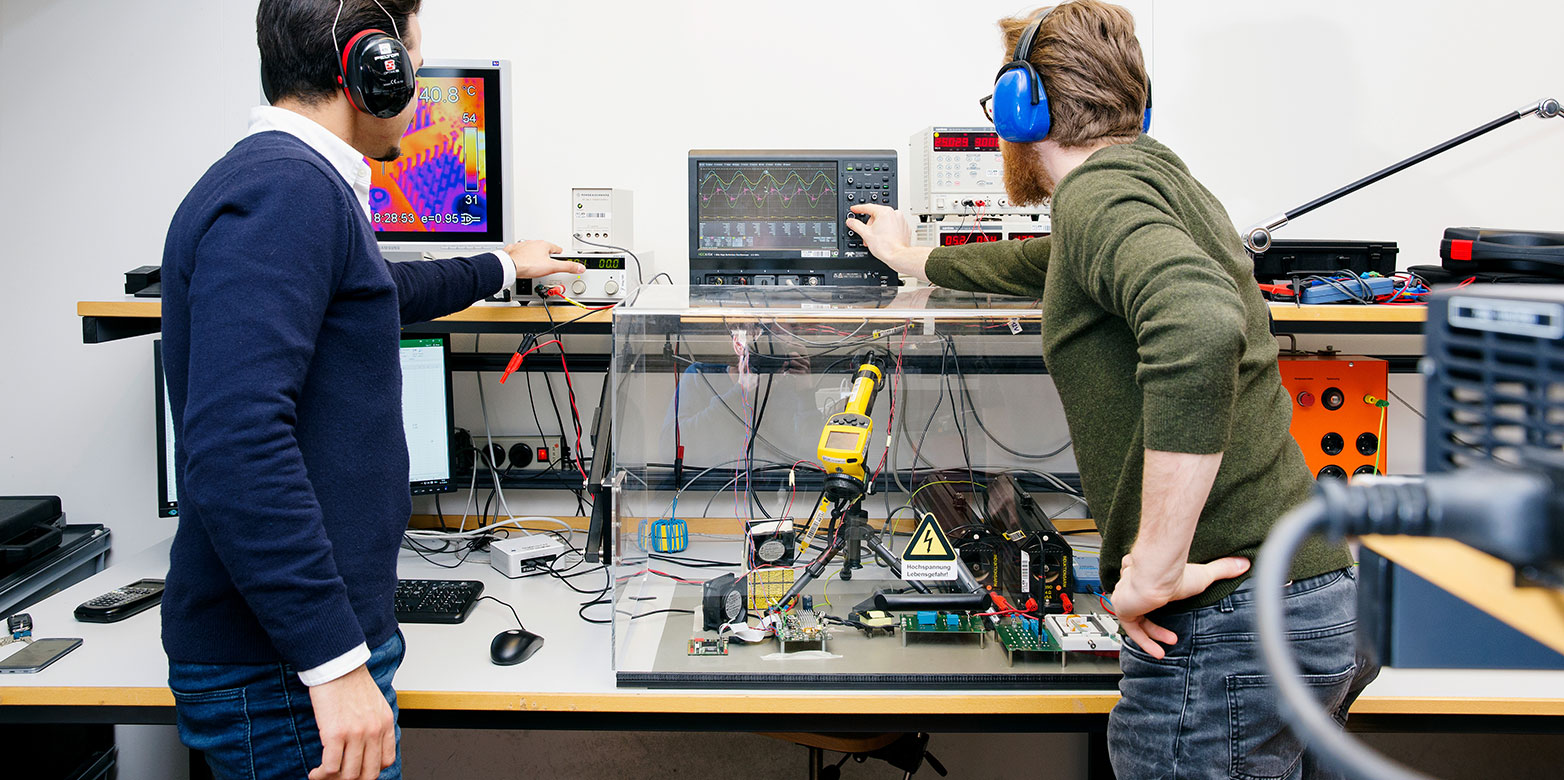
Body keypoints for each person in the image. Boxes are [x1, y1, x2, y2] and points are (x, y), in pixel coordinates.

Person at [846, 2, 1379, 776]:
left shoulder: (1099, 199)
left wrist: (1155, 564)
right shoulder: (1159, 183)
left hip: (1227, 624)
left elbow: (1198, 327)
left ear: (1025, 107)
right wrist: (918, 260)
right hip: (1317, 595)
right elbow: (1042, 264)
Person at [158, 2, 583, 778]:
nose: (417, 87)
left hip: (290, 657)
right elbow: (234, 445)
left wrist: (504, 266)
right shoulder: (287, 195)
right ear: (372, 67)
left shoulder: (288, 187)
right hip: (286, 671)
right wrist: (333, 661)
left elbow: (375, 290)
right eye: (413, 63)